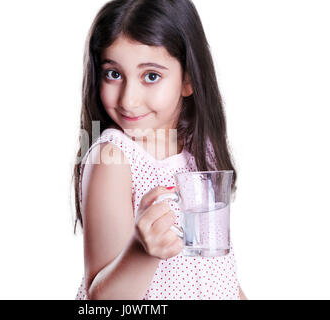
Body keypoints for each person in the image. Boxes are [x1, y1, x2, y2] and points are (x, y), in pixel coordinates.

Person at [72, 0, 247, 300]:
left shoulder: (201, 149)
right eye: (113, 74)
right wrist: (142, 251)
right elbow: (102, 300)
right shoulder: (112, 159)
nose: (129, 99)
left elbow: (218, 271)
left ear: (188, 80)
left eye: (151, 76)